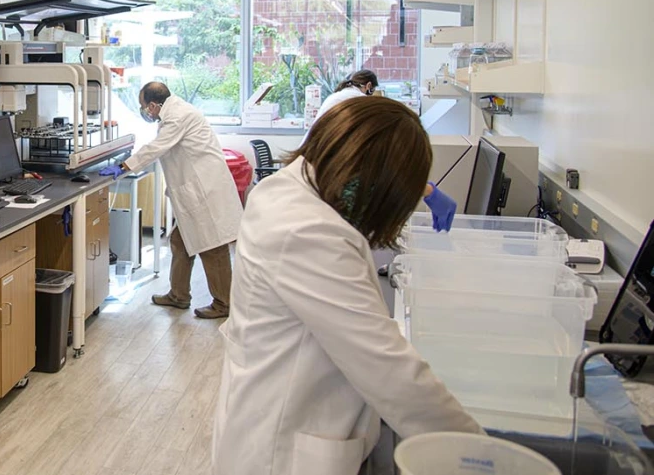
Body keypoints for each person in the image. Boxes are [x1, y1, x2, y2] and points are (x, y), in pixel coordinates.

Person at [212, 96, 481, 475]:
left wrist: (420, 186)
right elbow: (386, 367)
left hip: (268, 411)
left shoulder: (288, 186)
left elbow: (357, 167)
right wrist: (479, 457)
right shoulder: (308, 232)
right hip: (285, 451)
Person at [103, 82, 242, 319]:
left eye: (144, 106)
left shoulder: (178, 117)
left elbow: (158, 147)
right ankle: (179, 295)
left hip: (205, 191)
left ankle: (223, 304)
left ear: (155, 105)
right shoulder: (174, 113)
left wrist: (124, 165)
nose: (144, 110)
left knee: (212, 247)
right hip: (198, 188)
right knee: (179, 241)